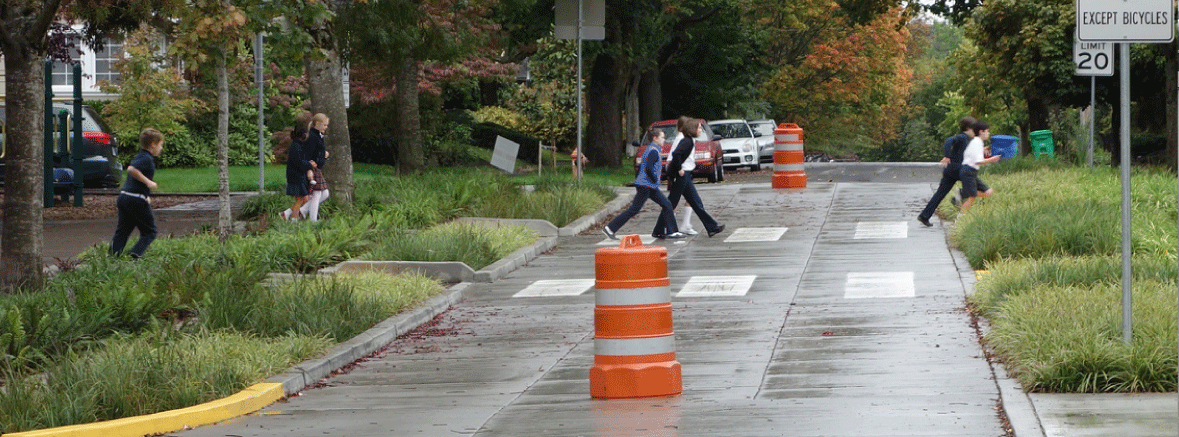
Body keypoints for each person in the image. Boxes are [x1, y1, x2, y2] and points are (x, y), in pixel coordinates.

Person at [603, 127, 683, 240]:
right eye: (662, 137)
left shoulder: (651, 149)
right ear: (655, 138)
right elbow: (649, 168)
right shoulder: (653, 151)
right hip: (647, 186)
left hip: (648, 185)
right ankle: (610, 228)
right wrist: (655, 178)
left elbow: (645, 167)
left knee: (667, 205)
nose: (664, 140)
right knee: (634, 209)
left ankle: (664, 231)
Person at [654, 117, 725, 238]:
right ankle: (660, 229)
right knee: (671, 202)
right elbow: (676, 154)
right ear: (692, 129)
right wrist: (679, 169)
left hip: (685, 175)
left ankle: (712, 227)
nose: (700, 130)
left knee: (696, 202)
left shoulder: (689, 140)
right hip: (681, 175)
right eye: (698, 128)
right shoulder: (686, 141)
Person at [110, 128, 164, 258]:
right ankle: (134, 255)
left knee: (123, 231)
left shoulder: (141, 156)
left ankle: (113, 256)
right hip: (135, 199)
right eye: (160, 145)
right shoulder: (146, 159)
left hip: (125, 197)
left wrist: (146, 195)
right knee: (150, 232)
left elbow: (134, 180)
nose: (161, 148)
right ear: (153, 144)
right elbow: (131, 169)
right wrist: (148, 183)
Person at [917, 116, 977, 227]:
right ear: (968, 128)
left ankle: (924, 216)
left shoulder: (965, 139)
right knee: (973, 181)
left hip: (950, 170)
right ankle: (959, 195)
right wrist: (947, 156)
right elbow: (948, 141)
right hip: (956, 169)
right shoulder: (962, 137)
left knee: (940, 193)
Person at [959, 120, 1001, 215]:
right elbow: (978, 161)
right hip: (968, 171)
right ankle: (959, 219)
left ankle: (962, 193)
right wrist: (992, 159)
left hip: (970, 171)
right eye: (987, 131)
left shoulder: (977, 142)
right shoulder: (977, 143)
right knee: (972, 197)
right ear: (981, 132)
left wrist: (983, 149)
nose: (988, 133)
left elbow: (972, 154)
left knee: (988, 192)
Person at [281, 113, 314, 220]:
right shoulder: (296, 147)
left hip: (296, 176)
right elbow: (299, 162)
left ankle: (286, 214)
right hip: (296, 177)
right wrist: (309, 164)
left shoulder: (297, 145)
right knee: (300, 200)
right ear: (303, 134)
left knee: (304, 199)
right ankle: (294, 220)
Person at [298, 113, 331, 221]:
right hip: (312, 168)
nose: (326, 127)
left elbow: (317, 152)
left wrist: (323, 155)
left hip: (317, 168)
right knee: (316, 195)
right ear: (318, 123)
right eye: (325, 125)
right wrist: (309, 170)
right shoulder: (312, 136)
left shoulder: (317, 135)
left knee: (325, 194)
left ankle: (301, 211)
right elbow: (307, 154)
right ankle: (313, 222)